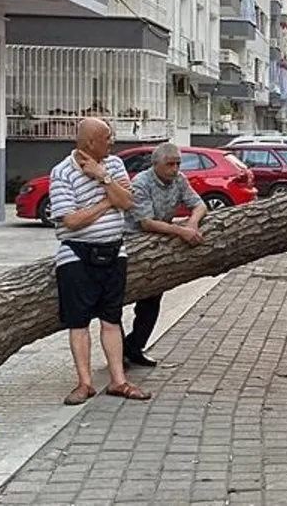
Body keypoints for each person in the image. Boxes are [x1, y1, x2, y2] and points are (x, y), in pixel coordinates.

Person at [49, 118, 149, 405]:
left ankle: (119, 381)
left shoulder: (114, 165)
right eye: (107, 137)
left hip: (114, 252)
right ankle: (84, 383)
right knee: (78, 322)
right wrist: (108, 202)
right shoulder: (62, 172)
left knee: (112, 319)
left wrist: (102, 176)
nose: (112, 142)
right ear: (91, 142)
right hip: (76, 255)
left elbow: (128, 201)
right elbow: (71, 220)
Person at [123, 143, 208, 368]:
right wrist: (181, 231)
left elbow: (199, 205)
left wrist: (192, 223)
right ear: (156, 165)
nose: (175, 169)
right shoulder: (141, 183)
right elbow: (146, 222)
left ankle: (134, 347)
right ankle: (118, 352)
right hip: (134, 245)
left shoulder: (179, 180)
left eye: (178, 164)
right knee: (117, 301)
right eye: (169, 164)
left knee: (151, 301)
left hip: (159, 246)